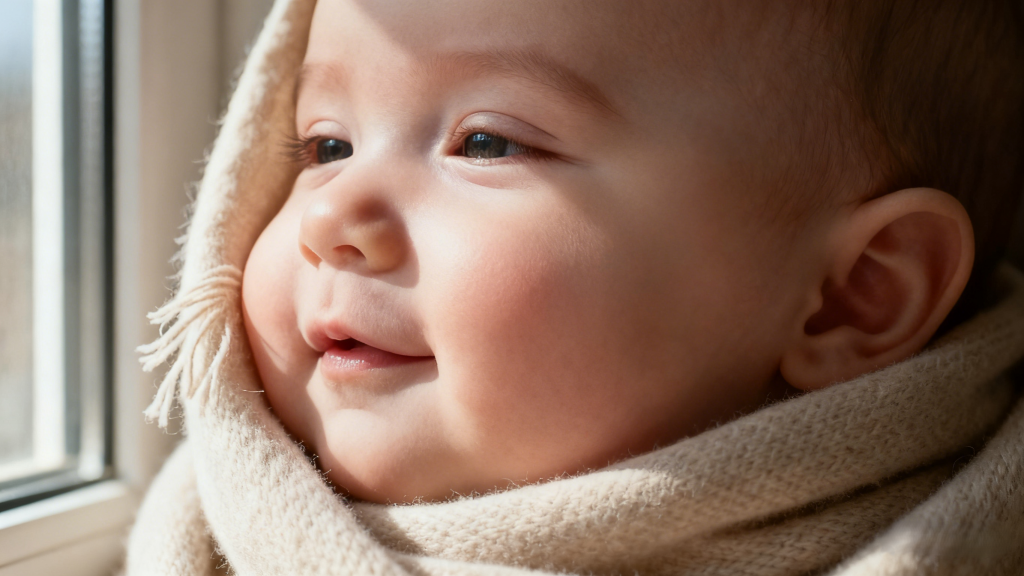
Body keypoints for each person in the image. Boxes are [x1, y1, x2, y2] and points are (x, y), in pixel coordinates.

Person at [125, 1, 1024, 574]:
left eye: (488, 143)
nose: (329, 219)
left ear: (852, 297)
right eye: (326, 146)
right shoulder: (205, 532)